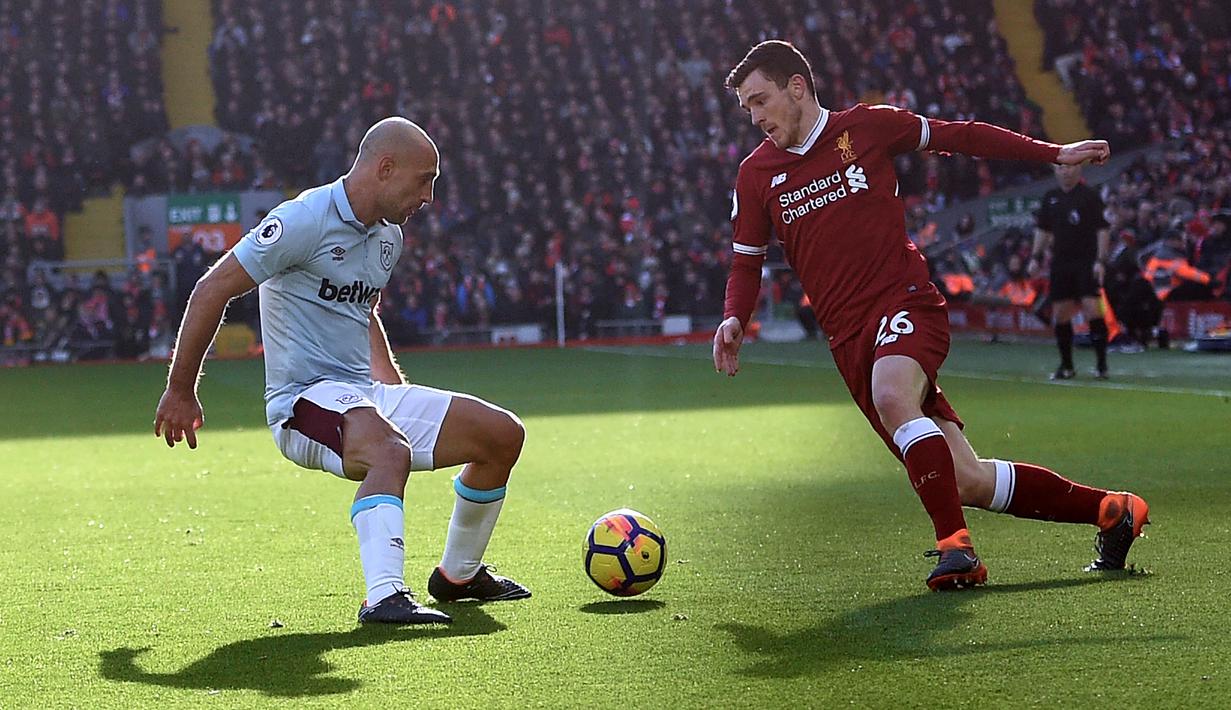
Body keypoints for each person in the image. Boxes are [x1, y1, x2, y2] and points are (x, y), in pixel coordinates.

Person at [712, 41, 1149, 591]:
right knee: (965, 479)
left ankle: (956, 550)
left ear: (797, 86)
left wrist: (1052, 153)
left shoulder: (868, 127)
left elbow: (960, 135)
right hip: (848, 339)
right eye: (746, 108)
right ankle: (1114, 511)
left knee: (892, 395)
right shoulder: (755, 176)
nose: (754, 118)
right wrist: (733, 317)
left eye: (760, 100)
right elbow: (746, 262)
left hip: (906, 302)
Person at [154, 118, 531, 624]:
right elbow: (212, 288)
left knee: (503, 435)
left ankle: (458, 576)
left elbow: (363, 310)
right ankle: (384, 597)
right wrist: (181, 390)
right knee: (389, 451)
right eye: (425, 180)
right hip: (300, 402)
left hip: (360, 394)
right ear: (385, 168)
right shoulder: (303, 220)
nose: (430, 196)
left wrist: (392, 389)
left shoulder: (387, 238)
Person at [1029, 163, 1112, 380]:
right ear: (1055, 172)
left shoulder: (1089, 196)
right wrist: (1036, 257)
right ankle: (1067, 366)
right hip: (1061, 263)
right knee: (1060, 313)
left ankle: (1101, 364)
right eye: (1061, 168)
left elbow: (1102, 229)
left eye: (1069, 168)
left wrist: (1101, 260)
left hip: (1086, 261)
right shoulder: (1051, 197)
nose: (1065, 172)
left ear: (1078, 171)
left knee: (1092, 308)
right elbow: (1043, 229)